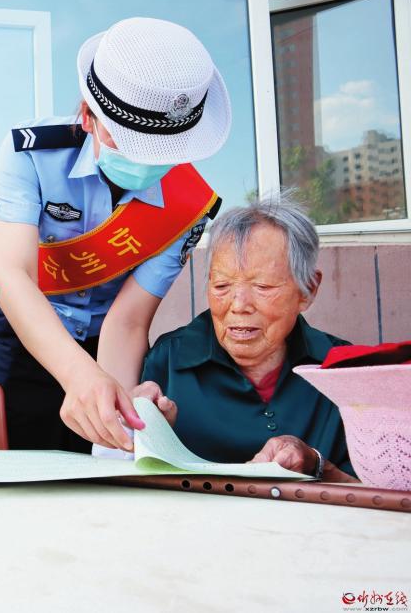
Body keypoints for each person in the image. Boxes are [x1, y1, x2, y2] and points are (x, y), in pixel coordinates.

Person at [0, 17, 230, 454]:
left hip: (107, 344)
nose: (145, 163)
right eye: (128, 143)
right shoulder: (30, 155)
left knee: (103, 464)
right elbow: (15, 275)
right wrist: (79, 376)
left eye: (159, 152)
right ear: (88, 117)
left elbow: (128, 320)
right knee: (15, 467)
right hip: (29, 331)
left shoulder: (188, 205)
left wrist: (119, 413)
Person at [136, 197, 356, 482]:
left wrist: (316, 464)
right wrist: (147, 432)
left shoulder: (346, 371)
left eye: (263, 286)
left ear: (308, 290)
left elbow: (380, 492)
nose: (239, 305)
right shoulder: (168, 361)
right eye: (221, 286)